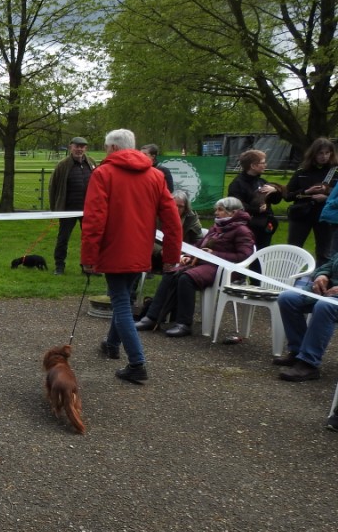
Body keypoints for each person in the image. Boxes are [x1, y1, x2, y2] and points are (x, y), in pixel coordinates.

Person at [81, 128, 182, 383]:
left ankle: (137, 363)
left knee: (121, 304)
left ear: (114, 148)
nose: (105, 151)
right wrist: (171, 256)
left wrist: (89, 257)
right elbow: (172, 220)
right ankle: (111, 344)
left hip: (114, 250)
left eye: (106, 147)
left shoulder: (103, 174)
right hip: (141, 250)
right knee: (124, 298)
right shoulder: (156, 175)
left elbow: (94, 219)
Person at [136, 197, 254, 337]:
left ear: (232, 212)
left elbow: (244, 256)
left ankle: (184, 324)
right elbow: (199, 245)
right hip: (206, 264)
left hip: (225, 270)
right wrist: (189, 256)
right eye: (216, 209)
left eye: (220, 210)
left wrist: (214, 254)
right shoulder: (217, 227)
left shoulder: (242, 230)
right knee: (170, 273)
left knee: (186, 278)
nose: (216, 212)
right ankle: (151, 318)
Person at [274, 251, 338, 382]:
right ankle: (298, 352)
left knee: (325, 306)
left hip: (332, 298)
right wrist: (322, 275)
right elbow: (329, 265)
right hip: (328, 291)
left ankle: (309, 362)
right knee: (287, 298)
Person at [284, 136, 338, 264]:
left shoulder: (335, 172)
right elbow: (287, 195)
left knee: (324, 252)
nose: (324, 156)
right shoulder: (302, 172)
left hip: (325, 216)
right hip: (302, 214)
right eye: (320, 153)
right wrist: (307, 192)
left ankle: (321, 275)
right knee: (293, 250)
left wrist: (326, 196)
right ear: (313, 154)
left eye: (327, 153)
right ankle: (290, 274)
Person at [49, 136, 95, 276]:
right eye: (77, 146)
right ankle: (59, 266)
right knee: (63, 239)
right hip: (67, 209)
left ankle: (87, 267)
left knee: (89, 240)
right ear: (71, 147)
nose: (79, 149)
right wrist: (55, 210)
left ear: (85, 148)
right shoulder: (62, 165)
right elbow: (53, 187)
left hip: (87, 210)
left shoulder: (91, 163)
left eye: (82, 147)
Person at [228, 149, 283, 251]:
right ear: (253, 166)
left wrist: (275, 191)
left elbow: (275, 201)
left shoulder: (261, 181)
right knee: (249, 252)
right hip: (248, 226)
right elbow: (236, 204)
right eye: (263, 163)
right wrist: (256, 210)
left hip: (265, 224)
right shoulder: (237, 184)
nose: (265, 165)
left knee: (263, 252)